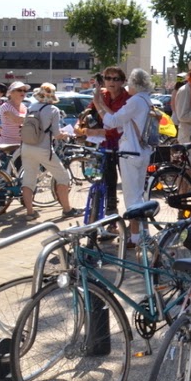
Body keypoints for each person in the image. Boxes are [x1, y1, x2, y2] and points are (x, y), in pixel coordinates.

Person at [93, 68, 157, 247]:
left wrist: (98, 104)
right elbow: (119, 118)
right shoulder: (145, 99)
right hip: (142, 151)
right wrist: (102, 103)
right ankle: (143, 233)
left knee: (132, 197)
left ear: (134, 83)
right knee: (139, 194)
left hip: (130, 151)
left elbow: (112, 122)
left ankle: (136, 237)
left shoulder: (135, 100)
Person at [18, 83, 80, 221]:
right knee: (63, 177)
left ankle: (30, 212)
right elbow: (57, 134)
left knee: (29, 179)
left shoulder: (31, 107)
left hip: (27, 146)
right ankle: (67, 210)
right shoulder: (53, 110)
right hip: (43, 148)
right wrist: (66, 134)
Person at [83, 67, 131, 217]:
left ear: (123, 82)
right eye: (108, 78)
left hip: (124, 147)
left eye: (115, 79)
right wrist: (82, 128)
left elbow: (117, 124)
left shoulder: (128, 98)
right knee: (107, 183)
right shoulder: (101, 95)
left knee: (129, 185)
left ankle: (134, 220)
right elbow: (86, 116)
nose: (111, 82)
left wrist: (98, 132)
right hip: (104, 147)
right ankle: (110, 218)